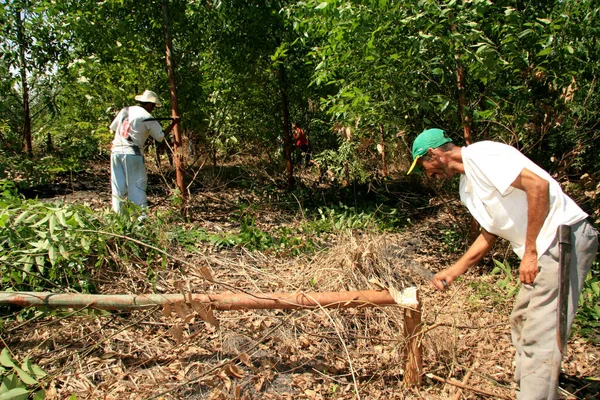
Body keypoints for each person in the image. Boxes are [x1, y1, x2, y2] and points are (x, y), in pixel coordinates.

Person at [407, 128, 598, 400]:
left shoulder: (483, 155)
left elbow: (538, 185)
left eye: (424, 167)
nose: (428, 175)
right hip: (542, 250)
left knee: (540, 334)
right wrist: (453, 271)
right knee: (521, 320)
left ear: (434, 154)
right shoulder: (467, 187)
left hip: (561, 240)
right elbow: (490, 233)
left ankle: (536, 393)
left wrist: (530, 252)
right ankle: (535, 385)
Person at [109, 90, 179, 214]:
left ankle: (118, 218)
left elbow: (113, 128)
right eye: (153, 106)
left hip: (115, 151)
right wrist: (173, 124)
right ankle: (140, 219)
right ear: (150, 105)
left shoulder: (124, 111)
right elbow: (160, 137)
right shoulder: (147, 116)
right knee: (137, 187)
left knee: (117, 187)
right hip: (132, 153)